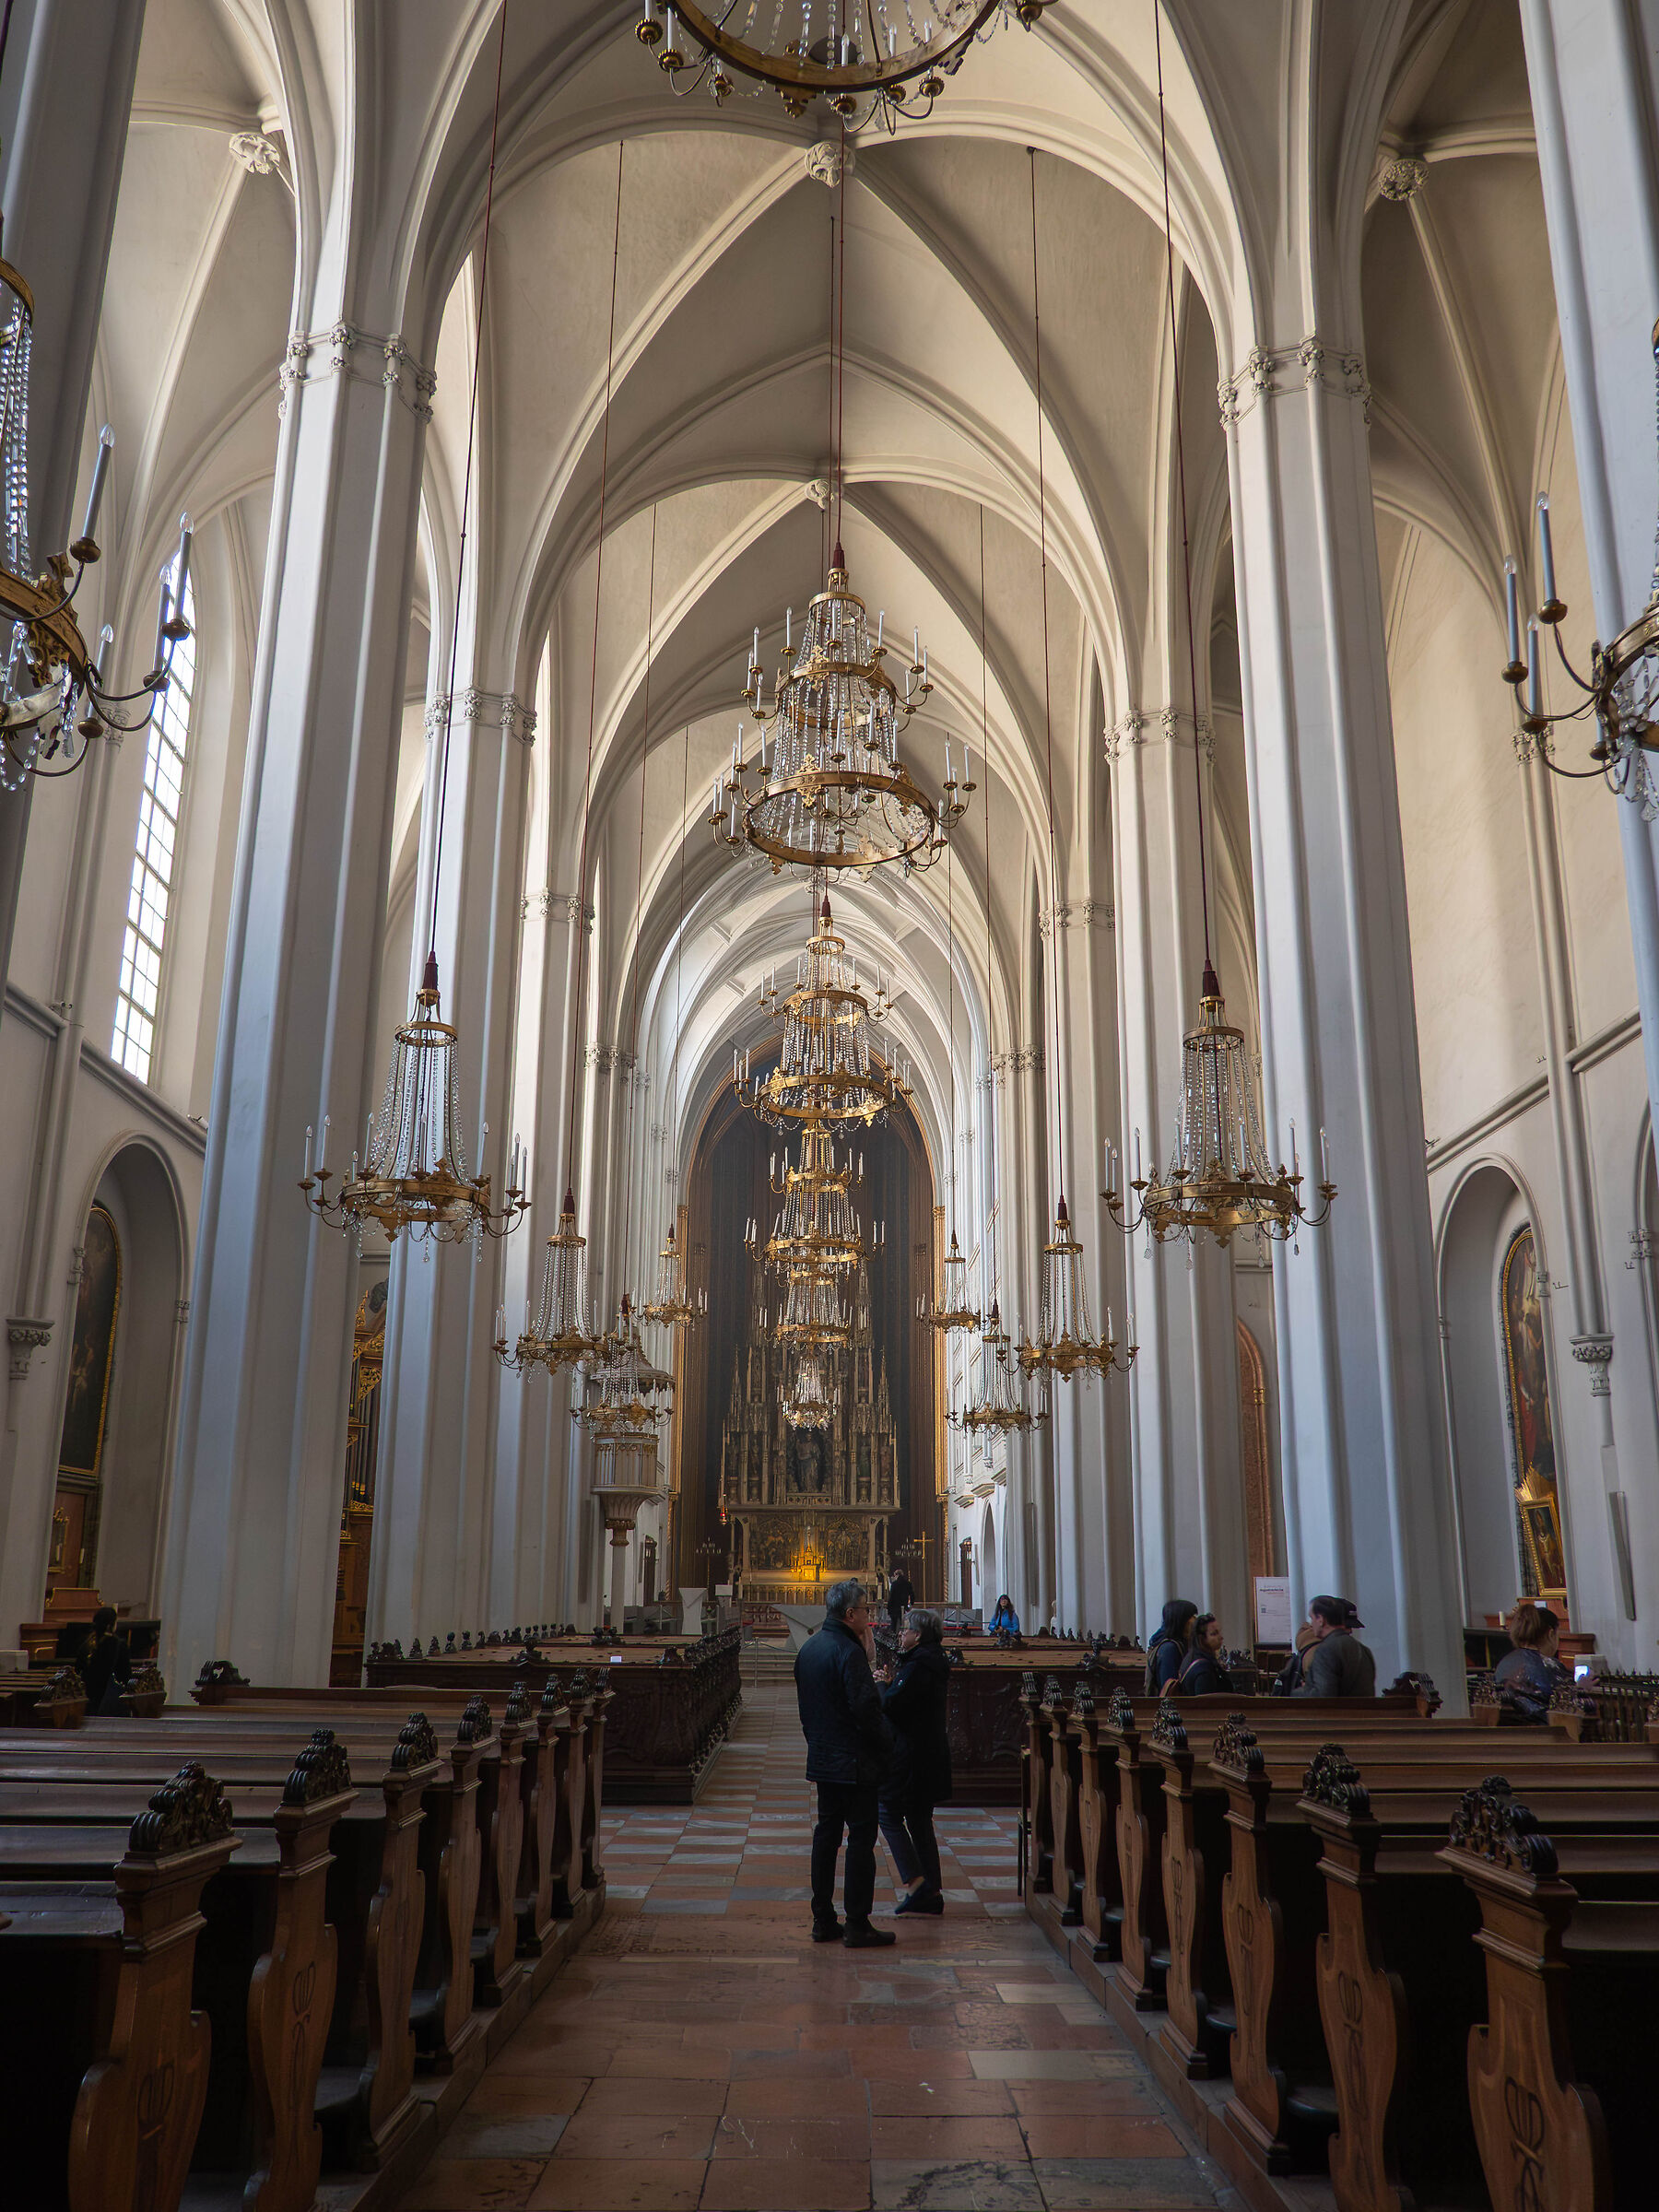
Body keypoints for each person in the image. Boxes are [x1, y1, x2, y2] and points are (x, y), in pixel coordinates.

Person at [794, 1578, 896, 1948]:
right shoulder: (849, 1653)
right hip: (855, 1765)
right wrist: (888, 1744)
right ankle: (857, 1923)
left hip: (824, 1760)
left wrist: (818, 1745)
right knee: (861, 1841)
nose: (869, 1615)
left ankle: (823, 1920)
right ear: (850, 1614)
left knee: (826, 1838)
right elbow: (866, 1711)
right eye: (866, 1609)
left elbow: (807, 1711)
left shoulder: (809, 1648)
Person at [877, 1606, 952, 1915]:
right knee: (920, 1822)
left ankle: (916, 1883)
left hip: (912, 1756)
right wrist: (895, 1683)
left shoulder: (920, 1664)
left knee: (887, 1813)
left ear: (918, 1635)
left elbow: (892, 1705)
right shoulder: (931, 1660)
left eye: (905, 1629)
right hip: (928, 1753)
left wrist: (883, 1686)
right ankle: (931, 1892)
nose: (901, 1633)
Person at [1494, 1599, 1570, 1722]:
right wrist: (1582, 1687)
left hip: (1510, 1727)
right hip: (1548, 1729)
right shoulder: (1550, 1666)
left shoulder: (1504, 1662)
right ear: (1551, 1634)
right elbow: (1568, 1702)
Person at [1293, 1595, 1377, 1698]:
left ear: (1321, 1620)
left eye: (1312, 1618)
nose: (1311, 1623)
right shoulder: (1363, 1649)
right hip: (1364, 1708)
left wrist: (1297, 1693)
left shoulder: (1325, 1650)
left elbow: (1324, 1697)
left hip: (1338, 1708)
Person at [78, 1606, 132, 1717]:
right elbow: (125, 1674)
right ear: (110, 1625)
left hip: (86, 1696)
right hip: (108, 1699)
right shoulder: (118, 1645)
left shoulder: (86, 1643)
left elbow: (78, 1669)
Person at [1145, 1597, 1198, 1692]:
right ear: (1181, 1620)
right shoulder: (1169, 1649)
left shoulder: (1181, 1644)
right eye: (1192, 1616)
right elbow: (1170, 1689)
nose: (1195, 1620)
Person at [1175, 1612, 1227, 1696]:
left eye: (1219, 1632)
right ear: (1202, 1639)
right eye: (1214, 1634)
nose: (1221, 1637)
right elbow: (1205, 1702)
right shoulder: (1203, 1668)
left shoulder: (1191, 1656)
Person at [886, 1563, 915, 1638]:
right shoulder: (908, 1583)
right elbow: (912, 1595)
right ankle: (903, 1638)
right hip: (904, 1606)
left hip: (895, 1608)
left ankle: (894, 1638)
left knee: (894, 1625)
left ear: (897, 1575)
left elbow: (891, 1597)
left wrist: (889, 1608)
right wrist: (911, 1604)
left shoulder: (894, 1584)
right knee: (903, 1625)